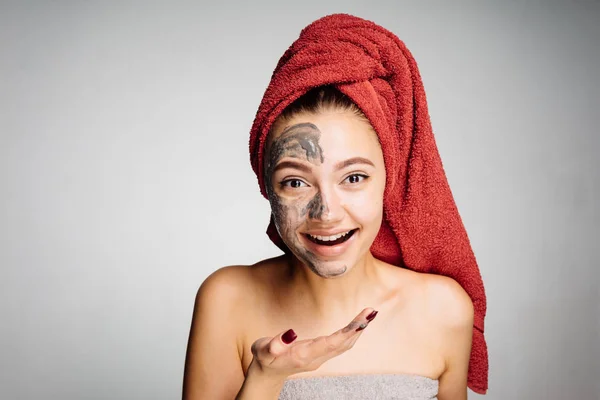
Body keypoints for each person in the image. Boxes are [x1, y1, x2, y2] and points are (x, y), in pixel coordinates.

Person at [183, 13, 486, 400]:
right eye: (295, 182)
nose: (326, 213)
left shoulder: (445, 309)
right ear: (267, 188)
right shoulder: (226, 300)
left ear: (388, 181)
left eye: (354, 178)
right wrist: (265, 378)